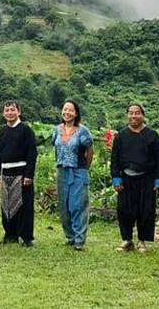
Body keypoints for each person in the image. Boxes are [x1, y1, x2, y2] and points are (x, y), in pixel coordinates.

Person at [110, 104, 159, 253]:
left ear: (142, 115)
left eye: (137, 113)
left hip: (147, 178)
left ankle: (142, 241)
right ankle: (127, 240)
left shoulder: (153, 136)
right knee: (124, 210)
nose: (134, 116)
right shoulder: (121, 136)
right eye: (131, 113)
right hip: (126, 178)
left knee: (145, 210)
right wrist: (116, 178)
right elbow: (114, 158)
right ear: (127, 115)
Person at [0, 100, 38, 247]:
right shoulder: (2, 131)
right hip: (6, 173)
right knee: (7, 205)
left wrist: (29, 175)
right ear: (3, 113)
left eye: (12, 110)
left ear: (19, 112)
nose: (10, 113)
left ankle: (27, 237)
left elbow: (32, 154)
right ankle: (10, 234)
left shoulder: (26, 130)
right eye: (7, 110)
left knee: (25, 206)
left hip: (22, 173)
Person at [52, 99, 94, 251]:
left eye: (70, 110)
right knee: (64, 206)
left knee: (78, 205)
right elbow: (56, 147)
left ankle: (79, 239)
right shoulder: (57, 129)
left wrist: (85, 167)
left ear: (76, 113)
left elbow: (90, 150)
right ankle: (69, 236)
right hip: (62, 171)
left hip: (78, 171)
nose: (67, 113)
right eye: (64, 109)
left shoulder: (83, 131)